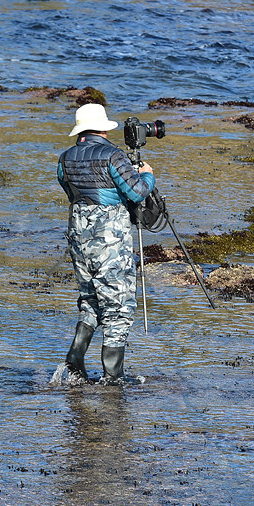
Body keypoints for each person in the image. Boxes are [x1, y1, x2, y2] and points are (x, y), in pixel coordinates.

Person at [57, 103, 155, 385]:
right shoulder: (113, 155)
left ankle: (74, 363)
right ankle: (113, 377)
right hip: (109, 241)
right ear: (102, 128)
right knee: (119, 306)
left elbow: (69, 190)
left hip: (78, 236)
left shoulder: (65, 158)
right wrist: (147, 173)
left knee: (90, 300)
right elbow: (137, 192)